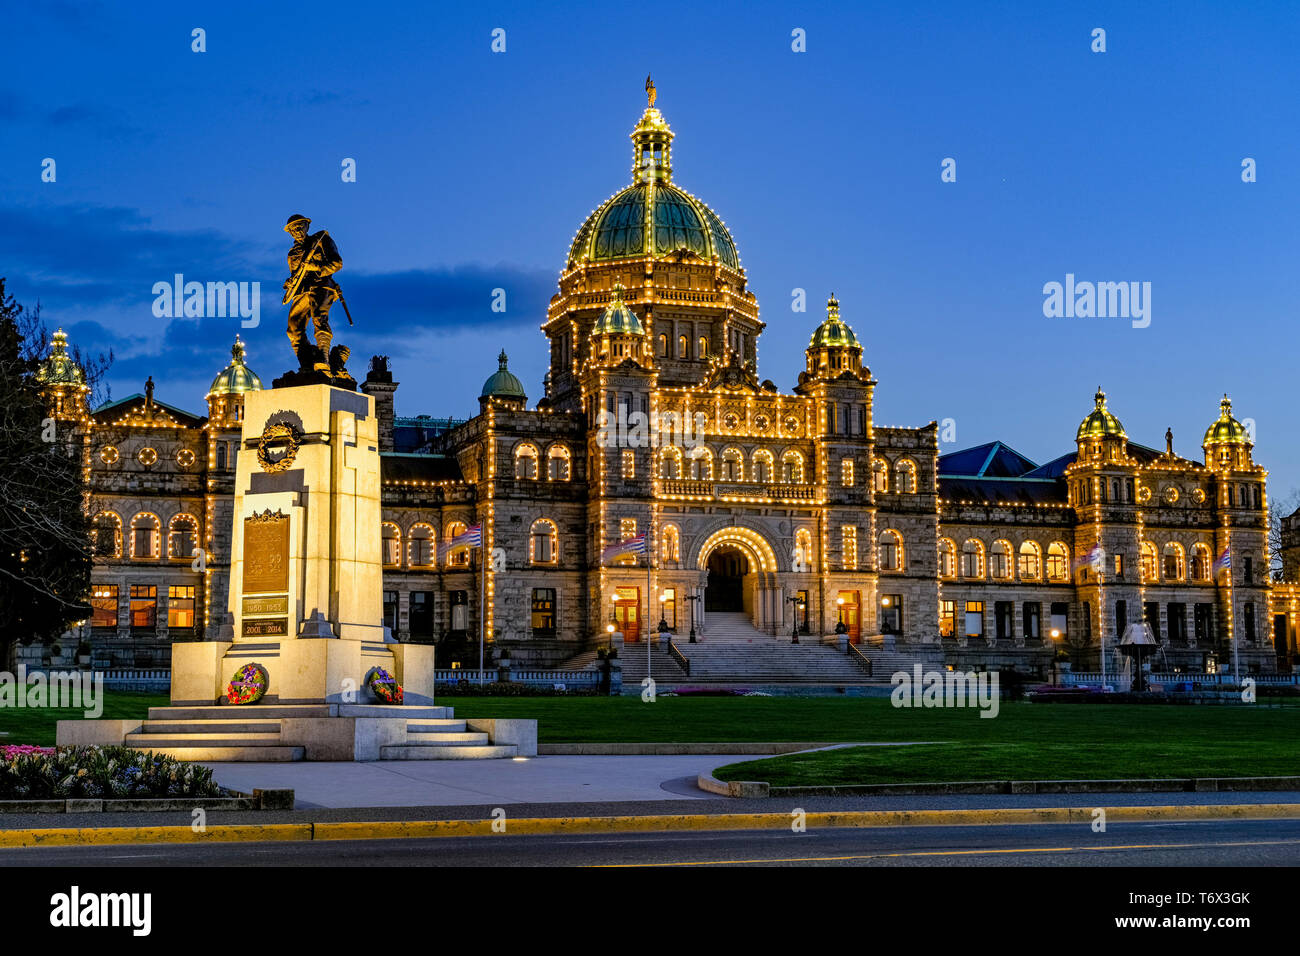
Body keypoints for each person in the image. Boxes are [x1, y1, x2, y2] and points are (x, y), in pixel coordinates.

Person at [282, 214, 343, 374]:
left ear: (307, 226)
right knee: (294, 327)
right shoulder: (292, 253)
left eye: (299, 227)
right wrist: (290, 281)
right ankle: (306, 362)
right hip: (301, 291)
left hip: (321, 285)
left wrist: (315, 267)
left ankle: (323, 360)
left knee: (319, 319)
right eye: (293, 230)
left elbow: (337, 263)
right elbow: (296, 275)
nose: (297, 231)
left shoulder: (321, 240)